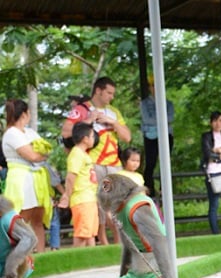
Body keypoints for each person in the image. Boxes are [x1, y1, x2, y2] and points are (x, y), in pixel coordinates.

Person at [61, 76, 131, 244]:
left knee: (117, 204)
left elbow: (127, 137)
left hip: (114, 163)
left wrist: (113, 122)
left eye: (113, 94)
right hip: (93, 163)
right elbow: (66, 132)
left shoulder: (114, 111)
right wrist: (89, 120)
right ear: (98, 91)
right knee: (98, 206)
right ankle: (104, 241)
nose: (111, 97)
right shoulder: (81, 109)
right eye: (109, 93)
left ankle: (119, 241)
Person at [1, 99, 53, 252]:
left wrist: (41, 154)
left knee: (38, 219)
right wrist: (41, 155)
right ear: (25, 113)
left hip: (37, 179)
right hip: (20, 178)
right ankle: (19, 258)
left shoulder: (30, 132)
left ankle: (41, 254)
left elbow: (45, 149)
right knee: (22, 219)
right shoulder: (11, 133)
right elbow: (33, 155)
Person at [58, 122, 98, 247]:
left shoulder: (84, 154)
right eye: (92, 136)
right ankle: (77, 260)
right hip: (81, 199)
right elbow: (71, 177)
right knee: (82, 234)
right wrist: (67, 195)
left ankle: (93, 261)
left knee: (90, 234)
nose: (94, 139)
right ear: (85, 139)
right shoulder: (76, 154)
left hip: (90, 198)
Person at [140, 74, 174, 197]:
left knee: (166, 163)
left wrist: (158, 120)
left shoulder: (169, 103)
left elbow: (171, 118)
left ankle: (165, 190)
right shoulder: (144, 103)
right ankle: (150, 192)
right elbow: (146, 119)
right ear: (150, 87)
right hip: (150, 136)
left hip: (166, 135)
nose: (157, 88)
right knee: (150, 163)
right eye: (154, 85)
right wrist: (162, 120)